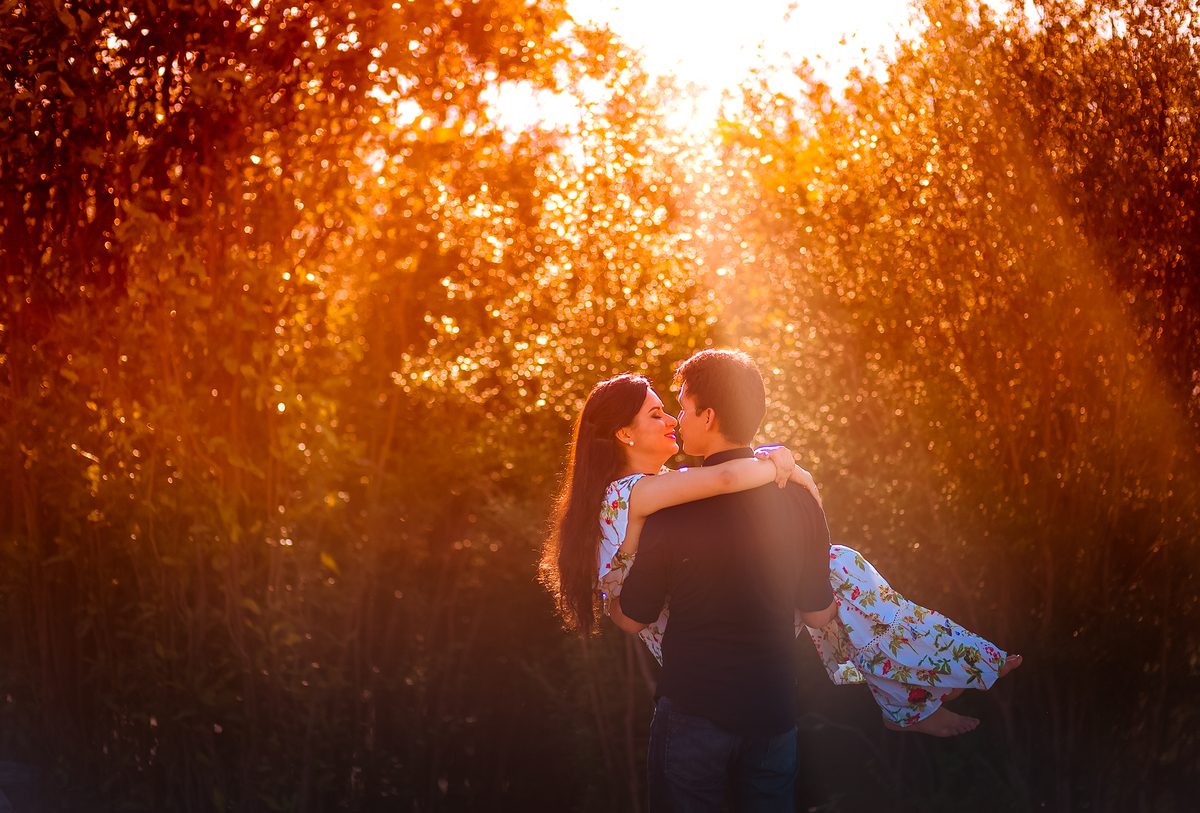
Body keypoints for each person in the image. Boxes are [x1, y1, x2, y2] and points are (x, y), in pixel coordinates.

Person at [541, 351, 1021, 808]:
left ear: (708, 417)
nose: (671, 421)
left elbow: (721, 476)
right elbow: (726, 480)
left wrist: (776, 457)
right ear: (624, 434)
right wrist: (785, 468)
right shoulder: (635, 493)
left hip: (685, 654)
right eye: (656, 414)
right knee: (839, 570)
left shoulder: (665, 493)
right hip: (671, 634)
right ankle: (934, 672)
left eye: (673, 410)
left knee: (838, 573)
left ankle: (921, 684)